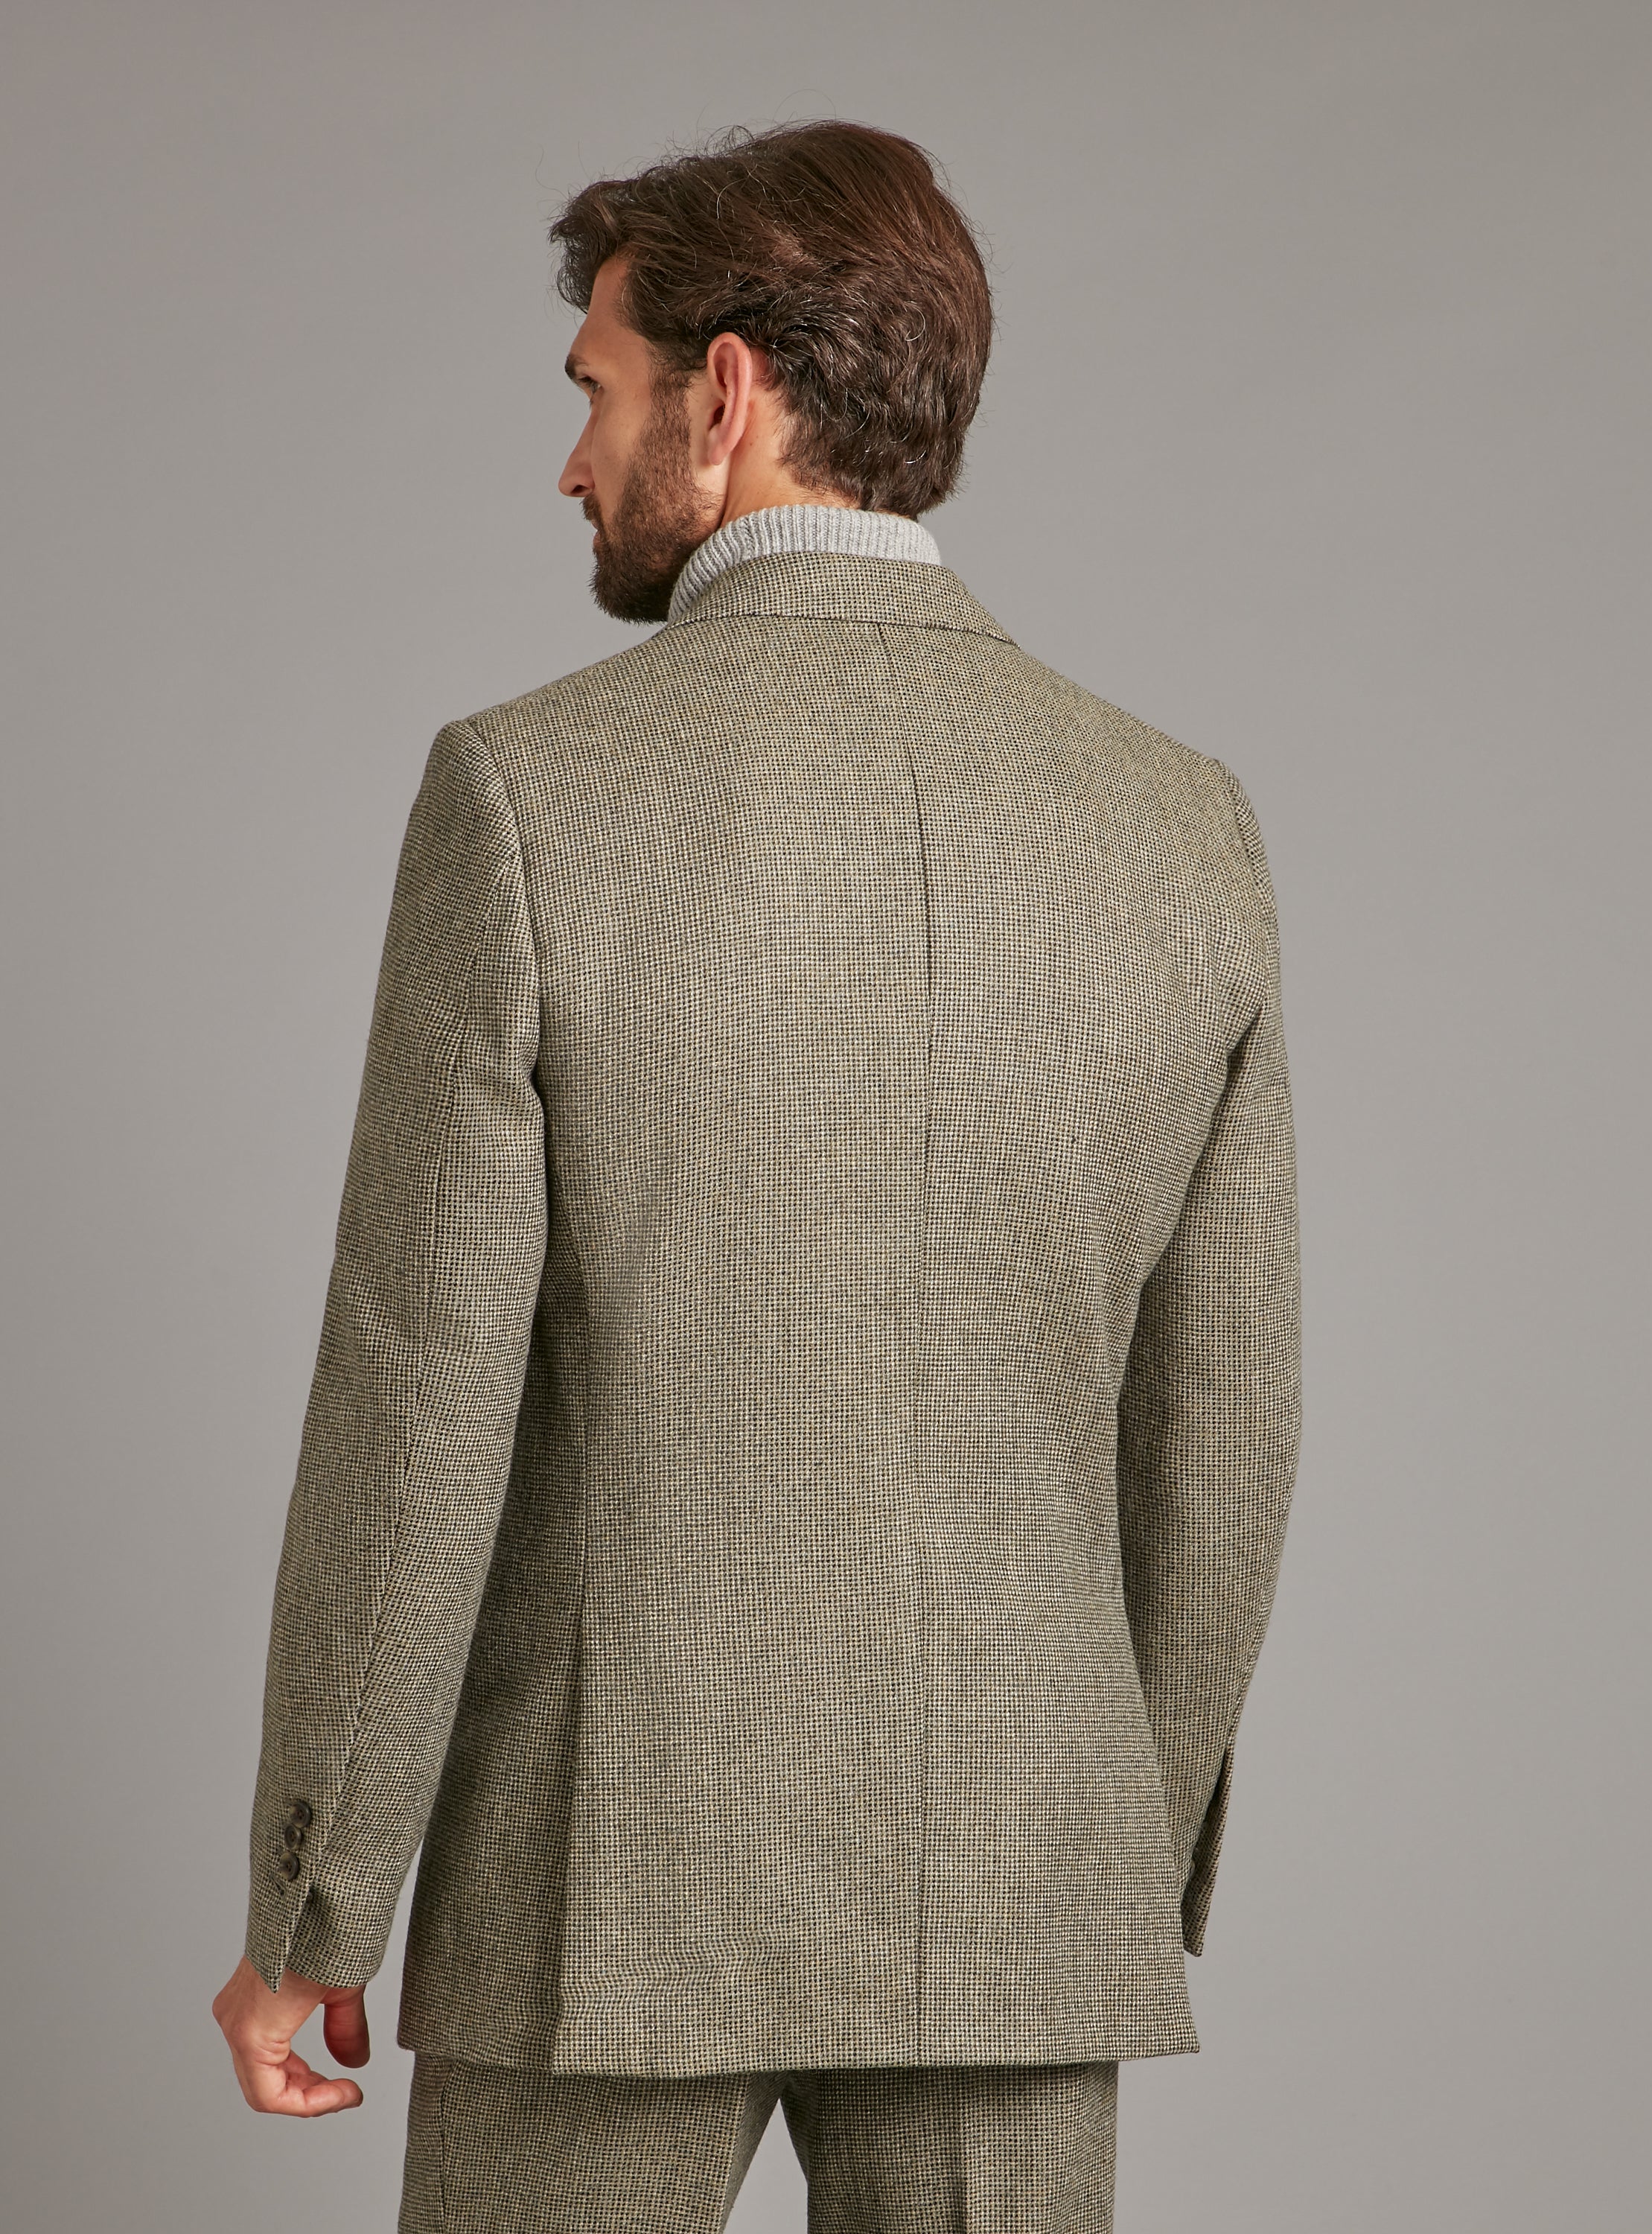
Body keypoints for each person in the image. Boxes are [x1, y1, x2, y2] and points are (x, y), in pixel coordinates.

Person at [212, 118, 1301, 2232]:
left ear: (723, 396)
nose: (571, 465)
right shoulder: (1185, 823)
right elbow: (1222, 1430)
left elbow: (415, 1407)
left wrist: (316, 1906)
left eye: (596, 393)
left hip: (605, 1871)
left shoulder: (526, 794)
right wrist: (1100, 1854)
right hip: (1016, 1864)